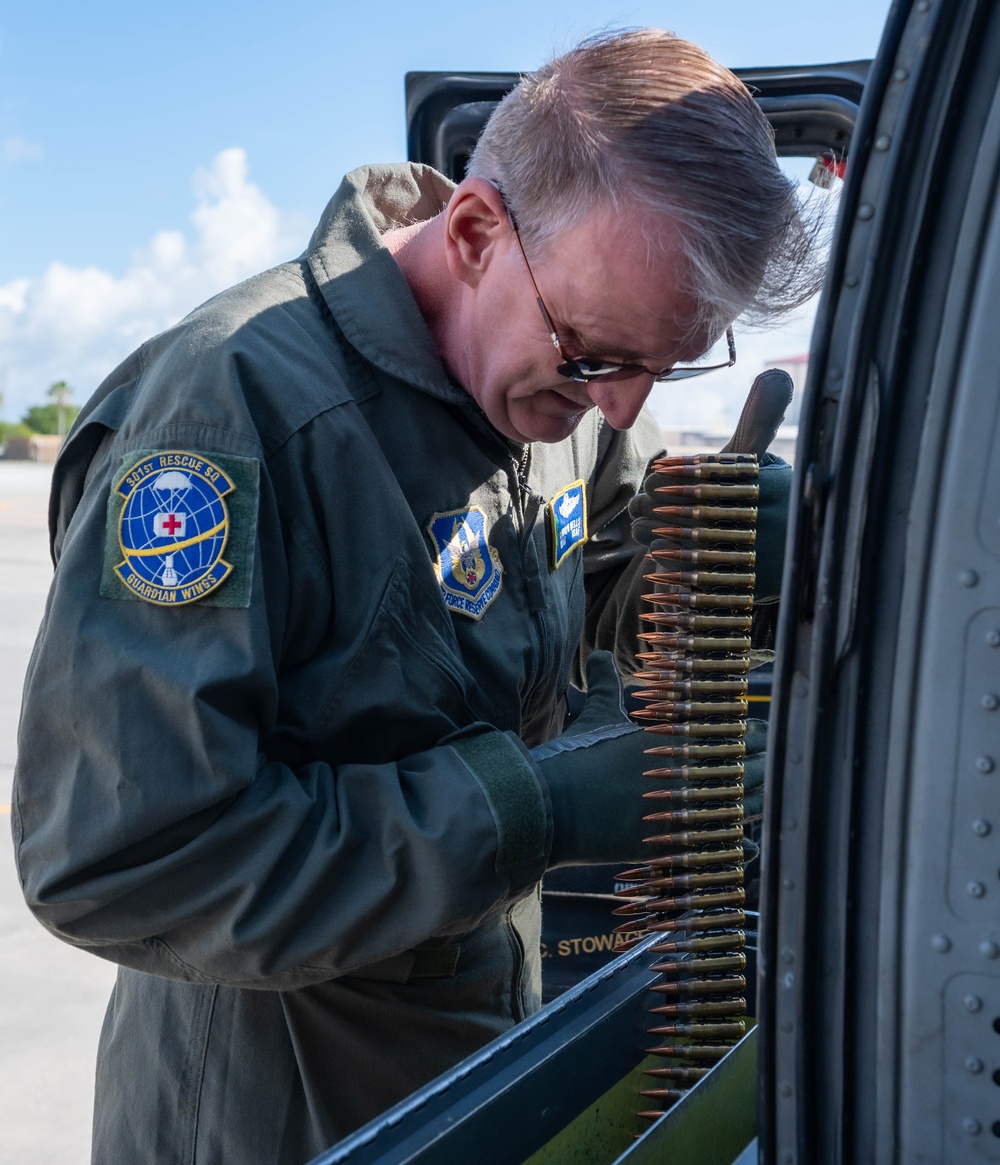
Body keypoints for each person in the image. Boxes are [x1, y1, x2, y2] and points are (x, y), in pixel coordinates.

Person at [12, 28, 819, 1165]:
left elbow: (583, 591)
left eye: (667, 364)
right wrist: (529, 810)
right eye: (596, 357)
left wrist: (716, 549)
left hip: (478, 1050)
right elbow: (117, 860)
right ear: (480, 233)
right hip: (279, 1110)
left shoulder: (550, 387)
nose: (624, 411)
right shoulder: (227, 415)